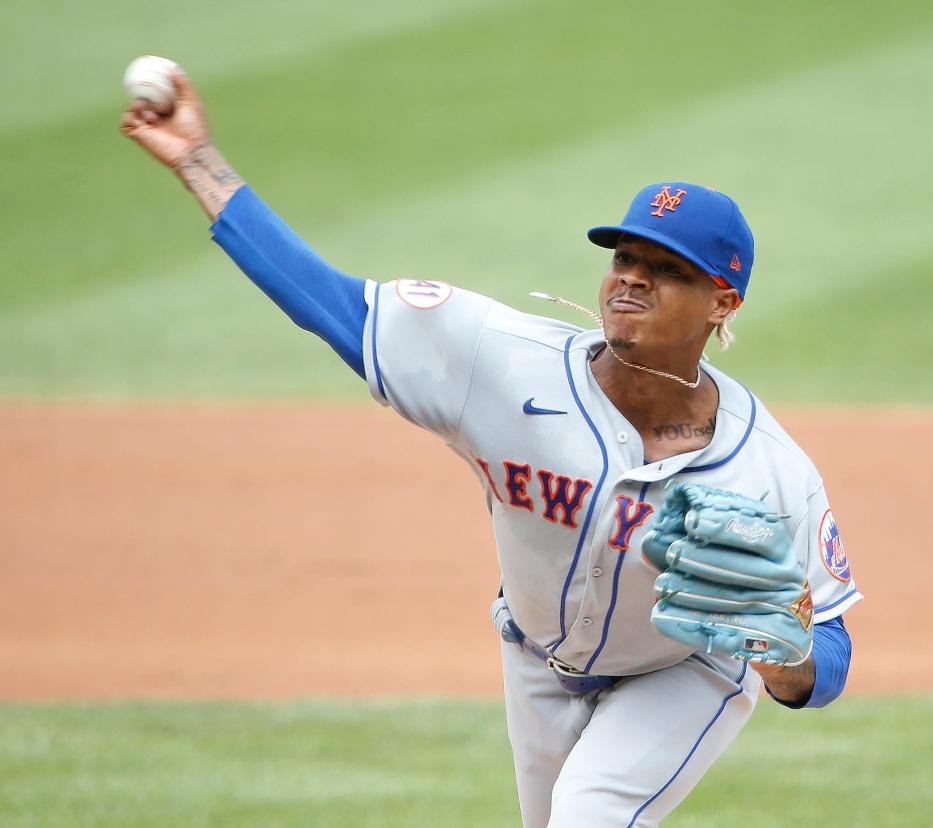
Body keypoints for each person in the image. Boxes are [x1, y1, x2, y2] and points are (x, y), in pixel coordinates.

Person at [121, 68, 862, 827]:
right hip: (534, 658)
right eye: (624, 259)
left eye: (667, 271)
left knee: (588, 816)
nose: (633, 280)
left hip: (684, 672)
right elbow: (328, 302)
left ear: (724, 302)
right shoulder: (500, 363)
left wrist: (786, 660)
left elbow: (829, 651)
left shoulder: (768, 467)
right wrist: (198, 160)